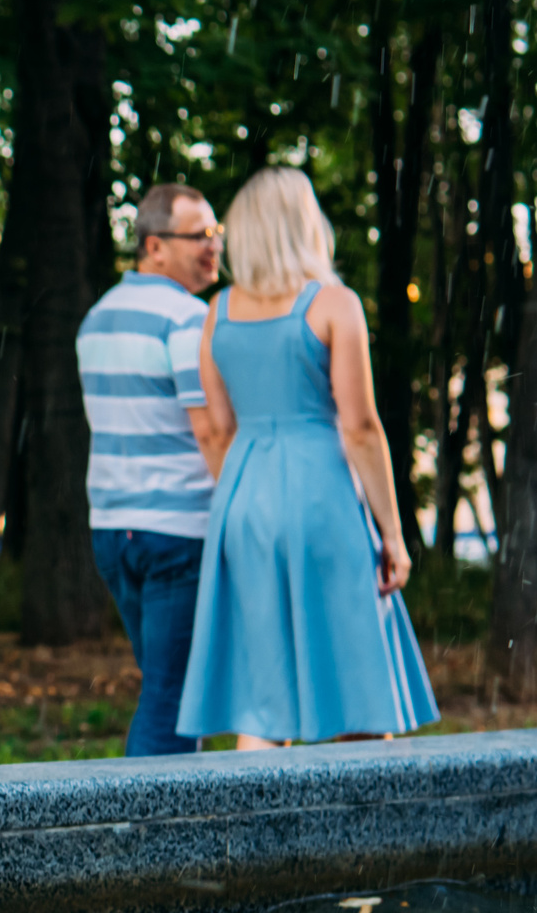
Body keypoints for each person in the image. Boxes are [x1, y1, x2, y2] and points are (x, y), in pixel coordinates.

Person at [175, 167, 439, 748]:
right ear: (305, 225)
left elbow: (218, 430)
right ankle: (363, 834)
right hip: (323, 497)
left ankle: (254, 836)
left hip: (244, 500)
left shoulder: (217, 312)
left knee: (262, 698)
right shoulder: (333, 304)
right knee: (358, 686)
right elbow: (361, 426)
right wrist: (393, 534)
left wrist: (249, 489)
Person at [77, 183, 226, 757]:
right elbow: (208, 430)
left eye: (215, 234)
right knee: (173, 698)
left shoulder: (96, 319)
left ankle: (156, 829)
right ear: (154, 246)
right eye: (198, 236)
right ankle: (149, 839)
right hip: (176, 533)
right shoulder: (189, 319)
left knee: (163, 688)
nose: (212, 248)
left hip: (114, 532)